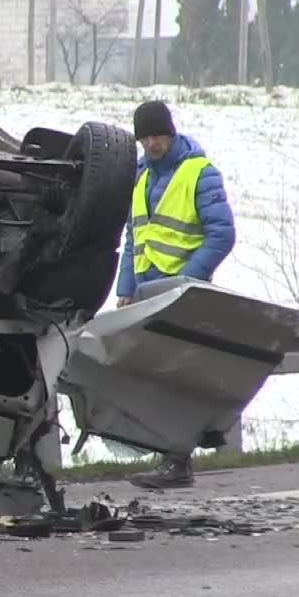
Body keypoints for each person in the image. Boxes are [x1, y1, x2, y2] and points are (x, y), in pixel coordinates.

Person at [115, 100, 236, 490]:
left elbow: (222, 234)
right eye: (146, 137)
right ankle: (171, 458)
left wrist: (189, 281)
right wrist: (126, 289)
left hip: (184, 293)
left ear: (171, 132)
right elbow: (135, 237)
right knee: (154, 377)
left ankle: (177, 461)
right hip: (149, 293)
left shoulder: (199, 172)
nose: (152, 143)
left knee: (176, 377)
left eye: (158, 135)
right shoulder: (140, 176)